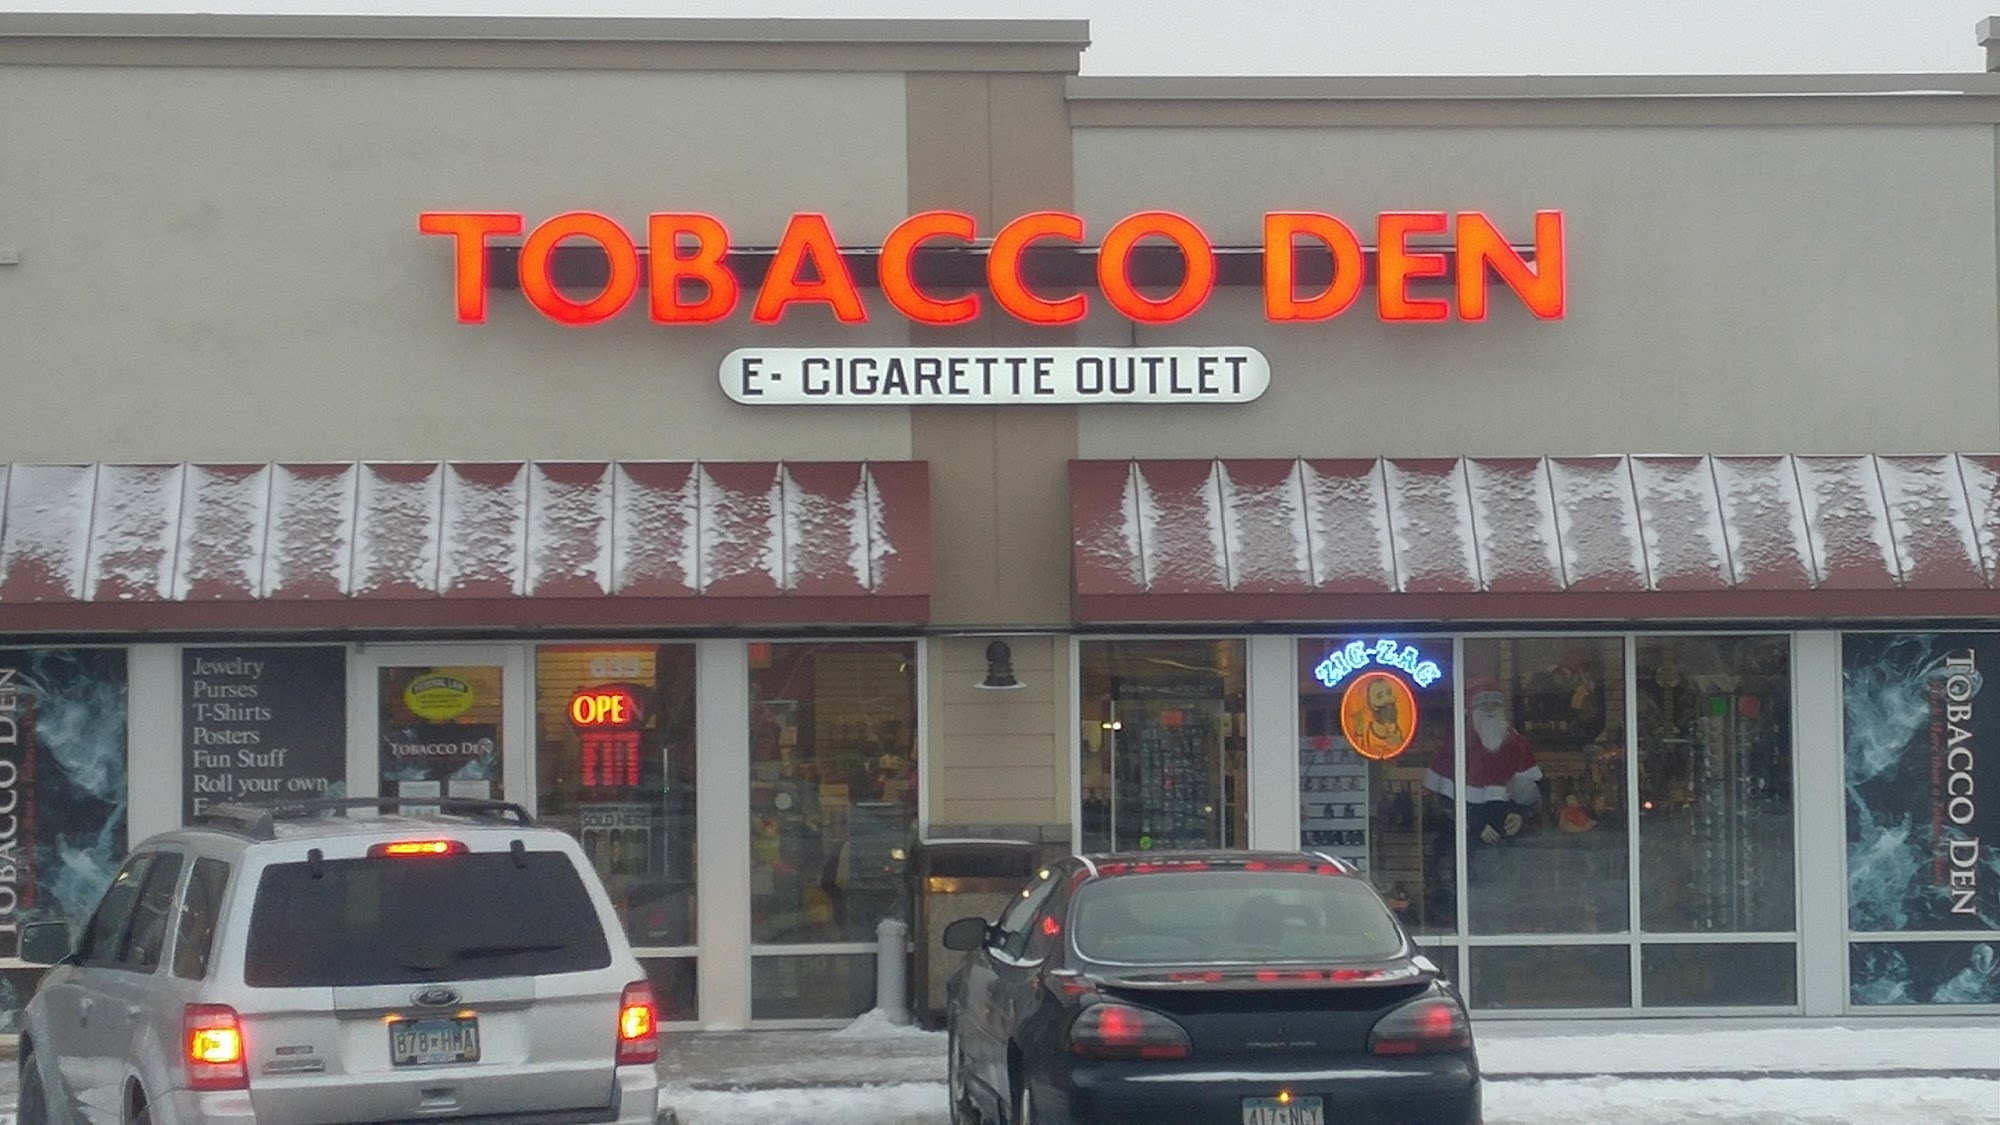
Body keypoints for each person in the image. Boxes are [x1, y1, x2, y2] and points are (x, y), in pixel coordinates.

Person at [1422, 678, 1543, 845]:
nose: (1490, 710)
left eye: (1495, 705)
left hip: (1511, 845)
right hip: (1466, 845)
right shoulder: (1456, 746)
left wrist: (1520, 816)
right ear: (1471, 710)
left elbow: (1533, 796)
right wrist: (1474, 824)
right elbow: (1441, 802)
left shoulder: (1517, 745)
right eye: (1484, 705)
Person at [1343, 674, 1409, 759]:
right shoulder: (1364, 735)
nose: (1387, 700)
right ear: (1370, 704)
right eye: (1379, 696)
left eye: (1389, 693)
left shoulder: (1399, 732)